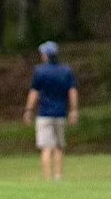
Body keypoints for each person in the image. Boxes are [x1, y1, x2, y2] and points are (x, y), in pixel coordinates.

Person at [25, 41, 77, 181]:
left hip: (44, 114)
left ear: (46, 56)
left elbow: (34, 92)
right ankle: (58, 176)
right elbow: (72, 91)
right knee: (59, 146)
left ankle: (47, 178)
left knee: (46, 147)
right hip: (61, 113)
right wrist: (73, 110)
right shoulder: (66, 71)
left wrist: (29, 110)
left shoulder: (40, 71)